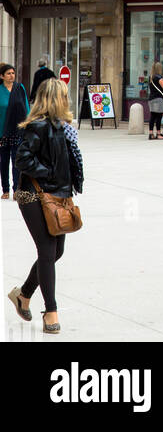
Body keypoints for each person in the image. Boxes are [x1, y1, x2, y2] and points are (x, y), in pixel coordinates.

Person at [8, 79, 84, 334]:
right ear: (55, 99)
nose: (67, 100)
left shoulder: (63, 128)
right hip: (34, 196)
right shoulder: (37, 127)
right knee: (47, 249)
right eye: (64, 95)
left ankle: (24, 294)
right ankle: (50, 311)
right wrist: (48, 174)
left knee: (56, 251)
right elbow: (22, 160)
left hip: (58, 196)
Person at [0, 64, 30, 198]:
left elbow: (26, 107)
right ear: (2, 76)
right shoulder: (0, 90)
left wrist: (28, 124)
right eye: (8, 73)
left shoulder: (20, 88)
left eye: (13, 73)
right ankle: (5, 190)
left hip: (17, 130)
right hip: (2, 131)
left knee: (16, 160)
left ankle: (17, 189)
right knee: (3, 161)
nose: (12, 75)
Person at [148, 61, 163, 140]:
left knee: (152, 116)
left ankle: (151, 134)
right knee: (159, 117)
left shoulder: (151, 77)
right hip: (158, 99)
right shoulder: (159, 78)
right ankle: (158, 133)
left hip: (151, 99)